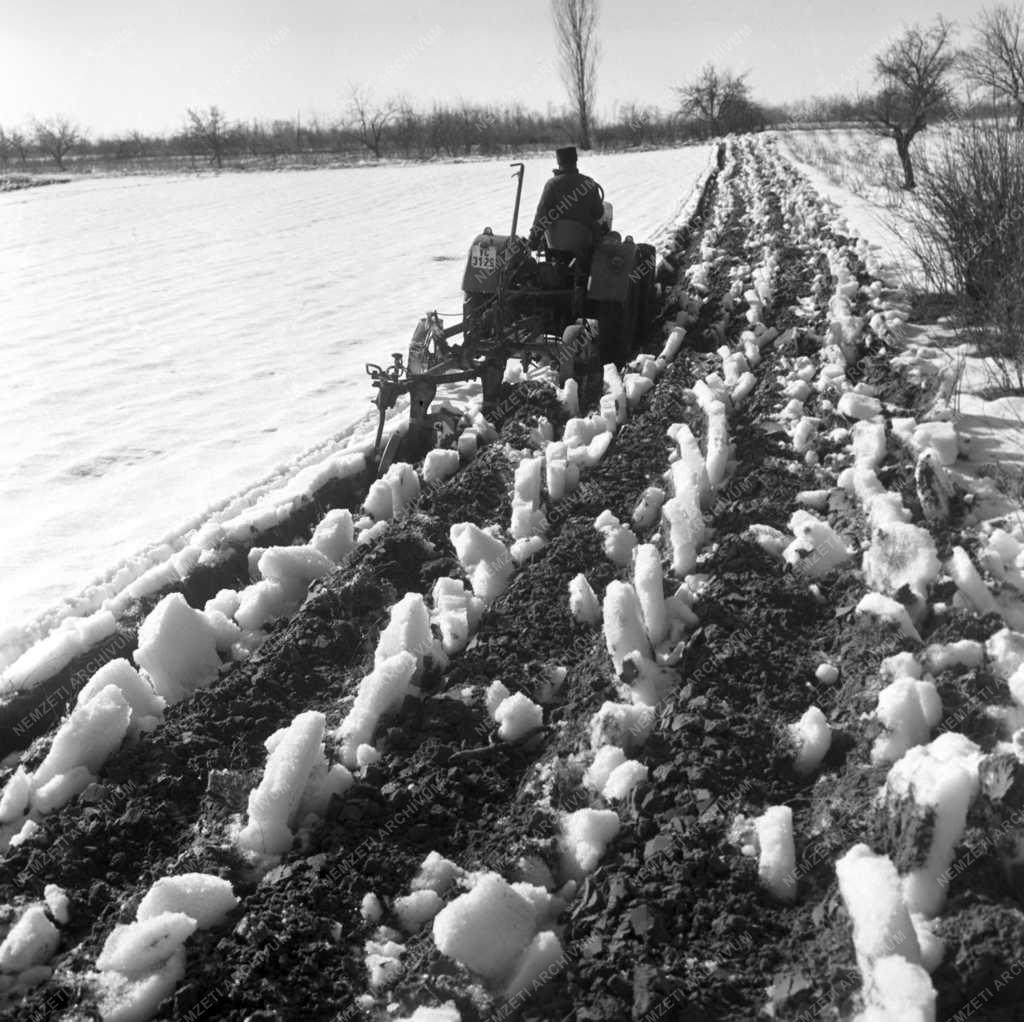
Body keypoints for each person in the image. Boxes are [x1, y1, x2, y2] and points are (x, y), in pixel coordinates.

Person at [528, 146, 605, 251]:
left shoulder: (552, 184)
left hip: (555, 243)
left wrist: (533, 240)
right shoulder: (589, 183)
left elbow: (542, 214)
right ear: (575, 160)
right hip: (583, 242)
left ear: (559, 162)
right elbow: (598, 213)